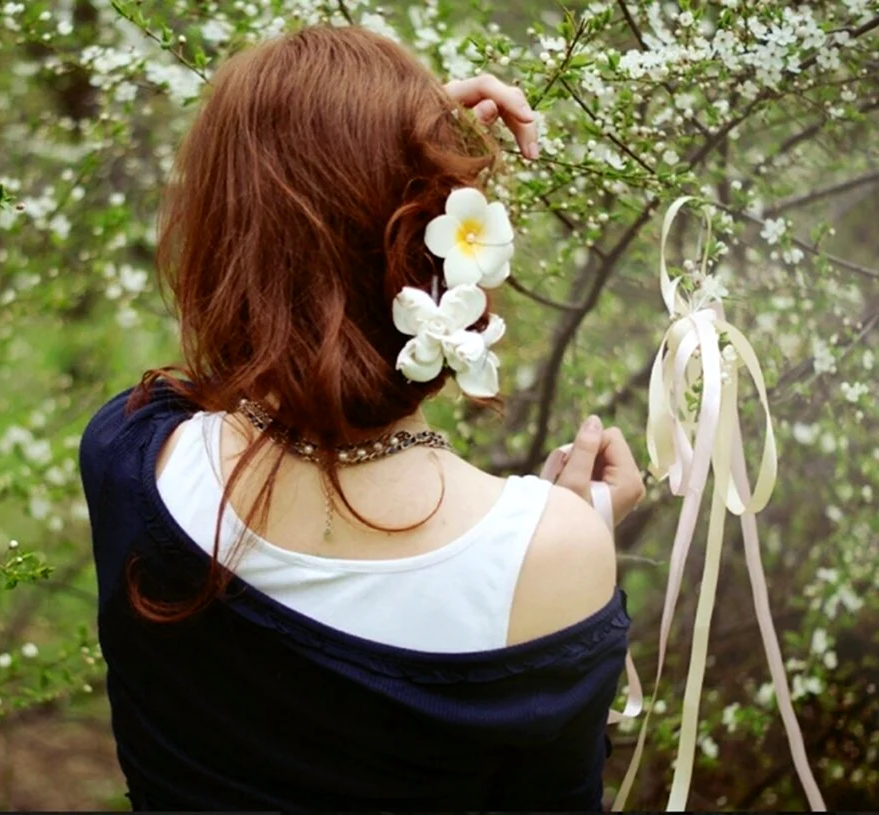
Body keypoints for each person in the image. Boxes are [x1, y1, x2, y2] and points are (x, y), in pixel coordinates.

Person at [79, 24, 646, 811]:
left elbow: (249, 366)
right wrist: (404, 162)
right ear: (436, 246)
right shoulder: (550, 554)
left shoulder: (129, 452)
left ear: (223, 241)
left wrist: (367, 164)